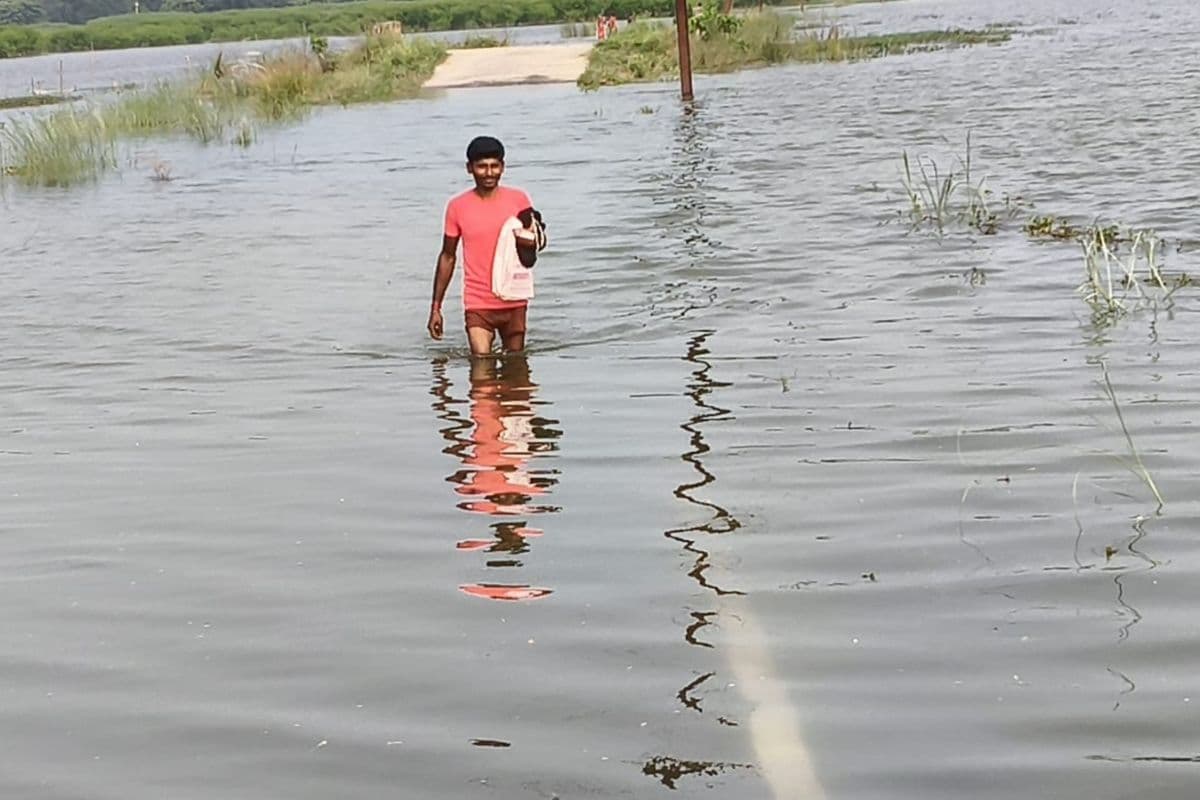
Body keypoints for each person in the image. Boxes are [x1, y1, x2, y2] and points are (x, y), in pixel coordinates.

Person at [428, 136, 539, 357]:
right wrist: (436, 308)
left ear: (503, 167)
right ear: (469, 168)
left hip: (514, 298)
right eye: (481, 167)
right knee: (481, 371)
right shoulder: (457, 207)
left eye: (494, 166)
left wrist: (533, 238)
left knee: (516, 376)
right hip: (478, 303)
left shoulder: (519, 200)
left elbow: (531, 248)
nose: (489, 173)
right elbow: (448, 256)